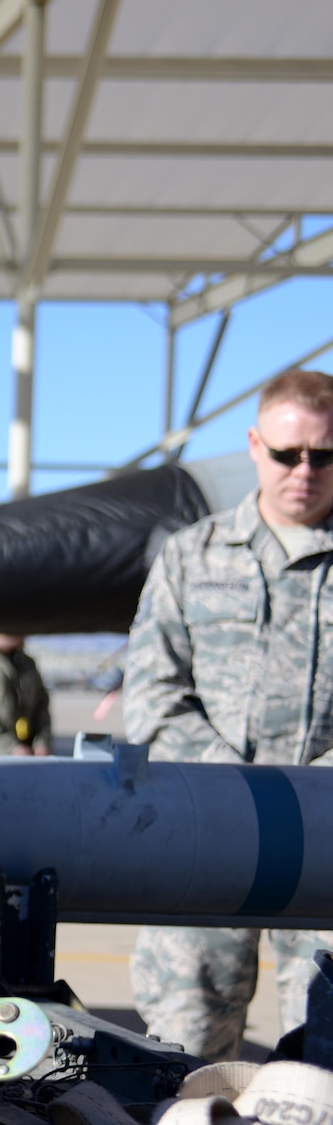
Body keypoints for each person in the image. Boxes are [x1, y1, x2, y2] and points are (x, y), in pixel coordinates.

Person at [124, 368, 333, 1059]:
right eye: (286, 454)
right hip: (208, 838)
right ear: (254, 445)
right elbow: (151, 699)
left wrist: (311, 791)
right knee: (184, 1061)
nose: (304, 471)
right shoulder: (191, 558)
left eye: (324, 456)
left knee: (324, 1064)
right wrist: (243, 790)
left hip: (327, 842)